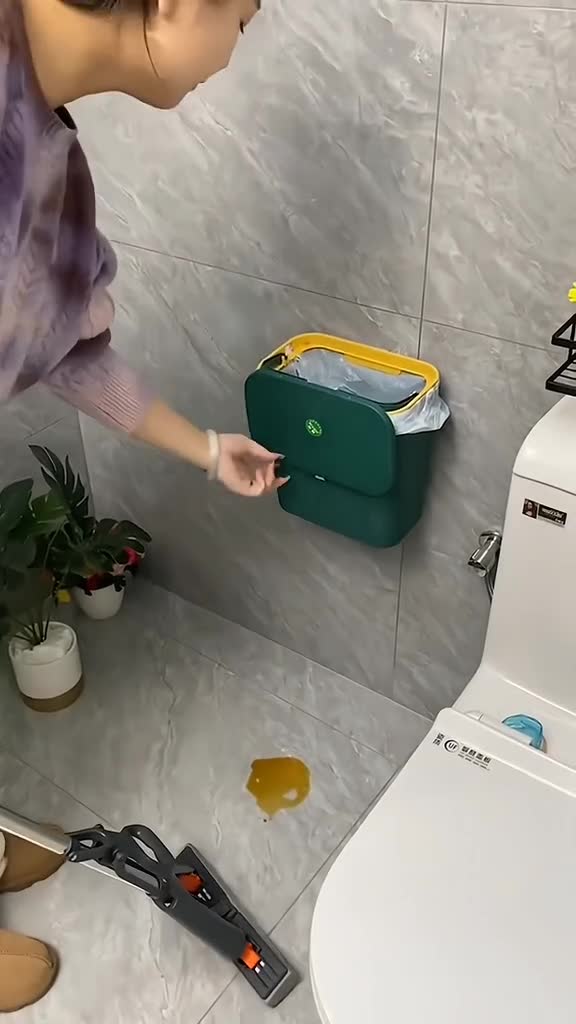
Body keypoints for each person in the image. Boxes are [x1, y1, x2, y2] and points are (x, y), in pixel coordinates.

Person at [0, 0, 286, 1010]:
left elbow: (68, 349)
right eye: (242, 18)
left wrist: (208, 450)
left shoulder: (47, 147)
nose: (236, 46)